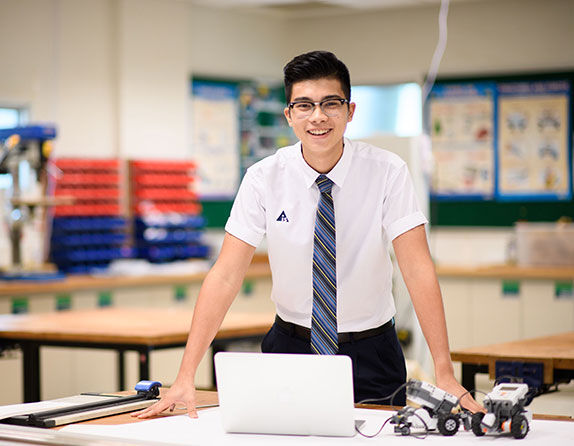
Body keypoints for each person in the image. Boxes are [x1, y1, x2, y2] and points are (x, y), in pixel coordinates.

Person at [136, 50, 483, 419]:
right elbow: (224, 275)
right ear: (289, 115)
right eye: (304, 105)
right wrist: (186, 374)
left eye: (330, 103)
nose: (317, 116)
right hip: (291, 346)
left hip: (372, 351)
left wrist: (444, 372)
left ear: (350, 111)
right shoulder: (263, 178)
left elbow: (417, 269)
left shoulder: (387, 171)